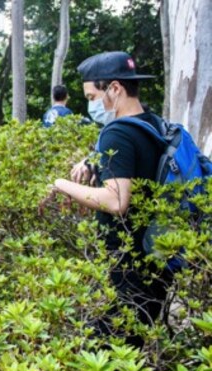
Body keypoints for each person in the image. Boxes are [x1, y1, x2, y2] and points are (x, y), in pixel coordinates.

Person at [42, 51, 172, 346]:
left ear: (114, 89)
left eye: (91, 97)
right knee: (133, 347)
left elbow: (116, 201)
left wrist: (61, 184)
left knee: (109, 353)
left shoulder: (118, 133)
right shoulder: (152, 122)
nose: (92, 106)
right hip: (155, 256)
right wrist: (93, 164)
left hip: (129, 265)